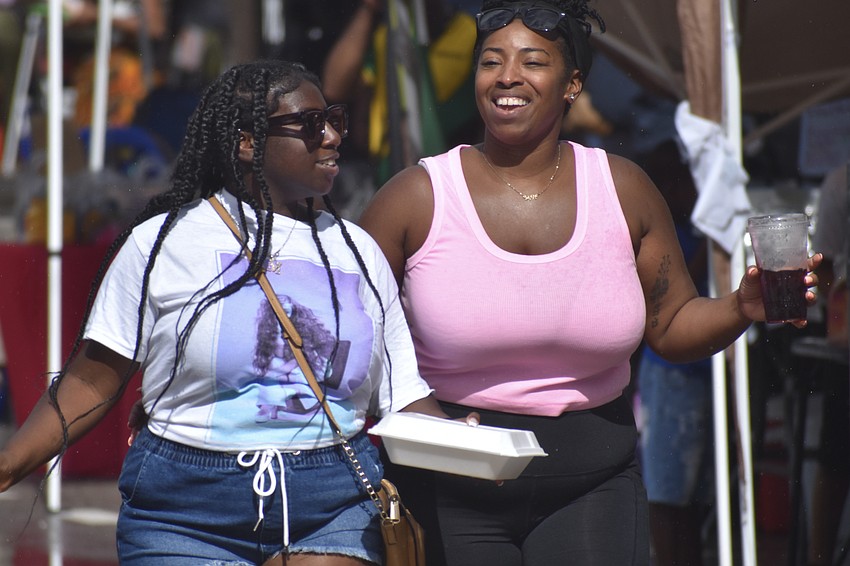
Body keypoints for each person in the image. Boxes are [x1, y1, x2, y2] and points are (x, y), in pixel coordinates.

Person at [357, 1, 822, 564]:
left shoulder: (623, 190)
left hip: (593, 490)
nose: (507, 77)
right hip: (448, 489)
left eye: (532, 62)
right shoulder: (415, 197)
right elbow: (349, 333)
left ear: (572, 84)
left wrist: (741, 307)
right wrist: (411, 407)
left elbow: (672, 326)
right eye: (491, 61)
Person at [0, 59, 450, 565]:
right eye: (309, 124)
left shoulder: (358, 253)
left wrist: (468, 439)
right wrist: (10, 463)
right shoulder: (164, 244)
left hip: (333, 502)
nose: (331, 137)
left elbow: (402, 393)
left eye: (334, 120)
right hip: (183, 511)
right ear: (247, 142)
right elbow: (90, 381)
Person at [635, 140, 712, 566]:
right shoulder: (666, 234)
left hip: (694, 372)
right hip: (669, 374)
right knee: (666, 491)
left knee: (691, 494)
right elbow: (678, 292)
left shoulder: (688, 230)